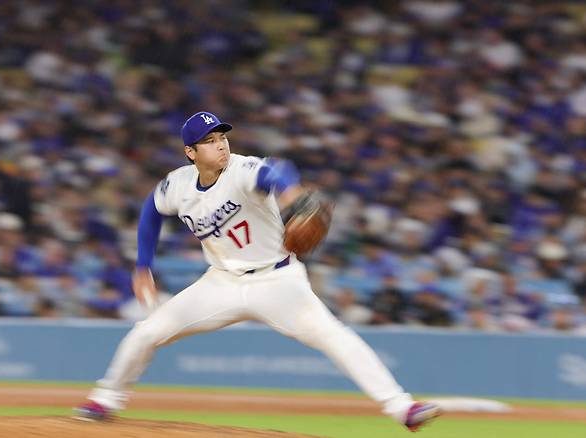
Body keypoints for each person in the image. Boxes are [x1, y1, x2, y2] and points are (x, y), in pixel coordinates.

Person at [74, 111, 440, 431]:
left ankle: (402, 407)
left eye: (222, 137)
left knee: (333, 336)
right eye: (209, 141)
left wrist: (292, 192)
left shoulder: (242, 170)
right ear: (191, 152)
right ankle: (105, 399)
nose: (221, 146)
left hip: (277, 281)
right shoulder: (178, 185)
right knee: (147, 332)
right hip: (220, 284)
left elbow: (276, 170)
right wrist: (142, 265)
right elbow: (151, 212)